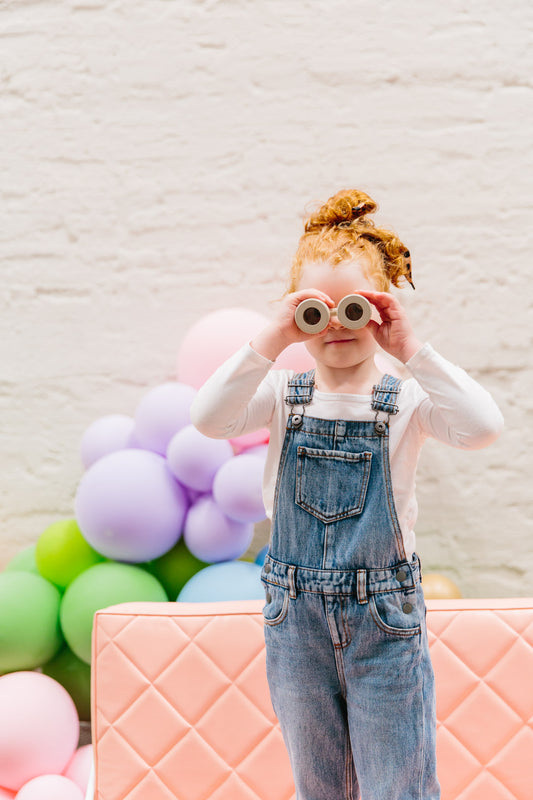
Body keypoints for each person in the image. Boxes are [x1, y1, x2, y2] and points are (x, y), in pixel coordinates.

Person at [190, 189, 504, 800]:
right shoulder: (282, 394)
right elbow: (209, 419)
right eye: (315, 310)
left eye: (353, 307)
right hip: (294, 622)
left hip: (383, 623)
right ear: (293, 312)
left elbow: (483, 427)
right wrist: (269, 339)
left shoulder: (407, 400)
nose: (336, 324)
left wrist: (410, 348)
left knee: (399, 785)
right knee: (321, 786)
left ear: (381, 308)